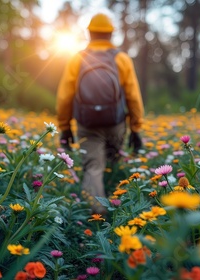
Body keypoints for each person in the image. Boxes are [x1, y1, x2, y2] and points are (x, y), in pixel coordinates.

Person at [56, 12, 144, 214]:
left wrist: (64, 128)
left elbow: (64, 97)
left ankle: (97, 219)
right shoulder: (122, 59)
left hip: (88, 125)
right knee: (113, 163)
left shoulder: (77, 59)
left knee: (93, 168)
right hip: (115, 122)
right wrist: (136, 129)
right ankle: (121, 211)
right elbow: (133, 96)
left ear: (89, 33)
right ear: (111, 34)